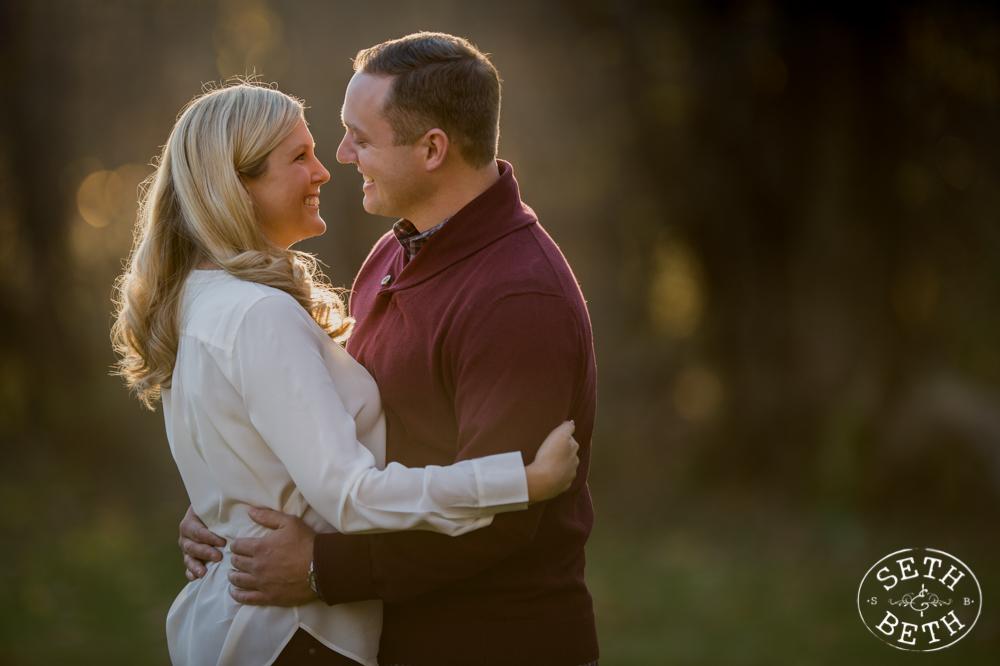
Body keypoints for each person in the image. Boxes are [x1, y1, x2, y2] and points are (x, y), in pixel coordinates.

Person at [111, 81, 581, 666]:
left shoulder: (201, 297)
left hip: (456, 633)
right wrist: (522, 481)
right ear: (236, 186)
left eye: (353, 139)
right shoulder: (261, 311)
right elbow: (351, 492)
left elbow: (289, 444)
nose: (329, 165)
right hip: (297, 636)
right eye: (299, 156)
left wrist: (236, 503)